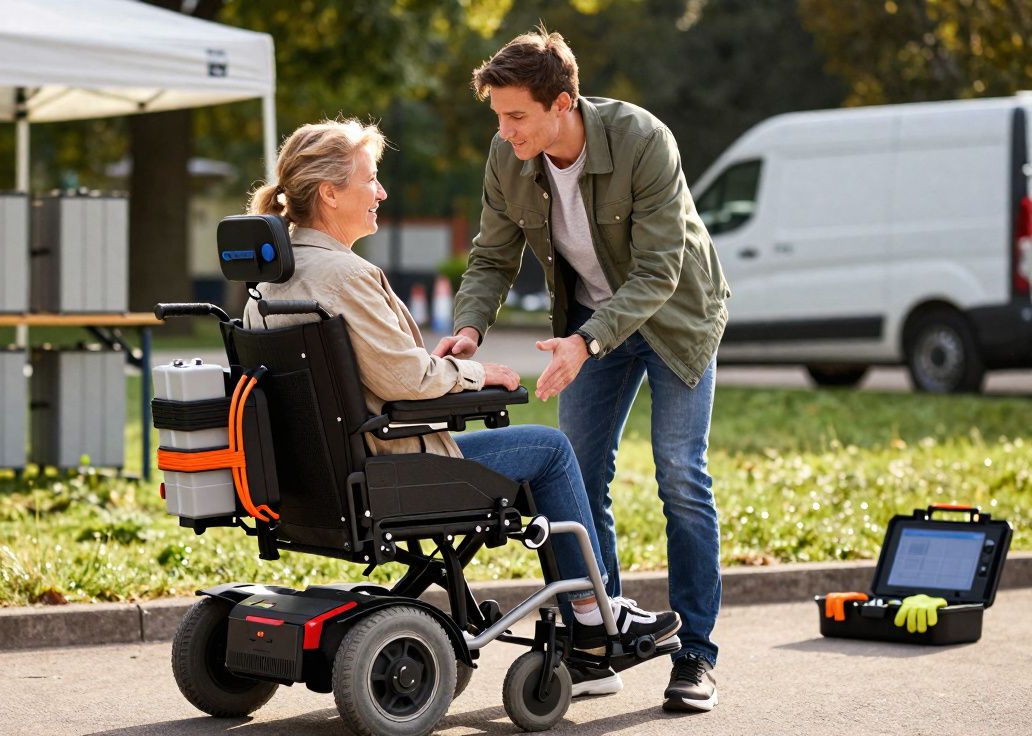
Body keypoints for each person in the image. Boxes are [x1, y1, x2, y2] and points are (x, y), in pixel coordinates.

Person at [243, 119, 679, 697]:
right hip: (387, 466)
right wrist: (480, 375)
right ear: (328, 192)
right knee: (549, 449)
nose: (381, 193)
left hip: (312, 477)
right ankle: (595, 619)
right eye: (371, 181)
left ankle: (588, 611)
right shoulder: (345, 275)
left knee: (532, 445)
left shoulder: (266, 285)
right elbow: (407, 376)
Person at [433, 30, 729, 713]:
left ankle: (696, 656)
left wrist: (585, 343)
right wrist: (470, 328)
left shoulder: (641, 140)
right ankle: (601, 643)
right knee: (576, 478)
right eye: (498, 117)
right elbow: (491, 258)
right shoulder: (510, 158)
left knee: (681, 475)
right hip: (590, 329)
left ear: (562, 103)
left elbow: (660, 270)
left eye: (516, 117)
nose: (504, 133)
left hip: (675, 321)